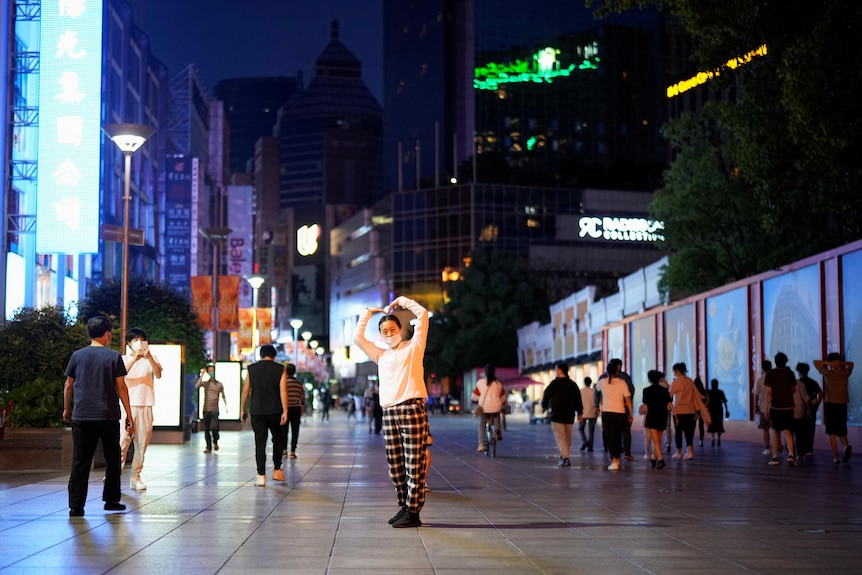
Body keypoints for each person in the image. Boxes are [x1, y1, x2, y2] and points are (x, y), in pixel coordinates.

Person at [353, 295, 430, 528]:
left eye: (392, 329)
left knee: (413, 464)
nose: (388, 334)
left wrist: (402, 301)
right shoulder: (381, 355)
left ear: (401, 329)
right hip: (389, 413)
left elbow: (423, 315)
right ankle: (404, 506)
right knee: (395, 465)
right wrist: (369, 313)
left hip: (411, 410)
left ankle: (414, 512)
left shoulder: (413, 348)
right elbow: (357, 338)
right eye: (384, 331)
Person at [63, 316, 135, 517]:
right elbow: (121, 387)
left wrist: (67, 410)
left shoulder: (77, 356)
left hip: (82, 416)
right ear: (106, 334)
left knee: (80, 461)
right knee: (112, 459)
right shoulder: (113, 357)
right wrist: (129, 415)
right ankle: (111, 500)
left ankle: (76, 506)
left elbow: (69, 385)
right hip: (108, 416)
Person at [119, 327, 162, 491]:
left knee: (141, 443)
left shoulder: (151, 359)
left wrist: (148, 356)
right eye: (135, 340)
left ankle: (136, 477)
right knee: (123, 441)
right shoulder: (123, 359)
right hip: (127, 406)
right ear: (129, 343)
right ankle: (115, 474)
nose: (138, 342)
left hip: (146, 404)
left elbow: (158, 374)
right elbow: (121, 375)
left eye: (141, 339)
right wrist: (134, 359)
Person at [240, 344, 288, 486]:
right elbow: (283, 391)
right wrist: (285, 411)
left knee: (260, 442)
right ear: (274, 356)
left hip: (257, 411)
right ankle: (277, 470)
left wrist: (242, 409)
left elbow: (245, 391)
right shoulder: (280, 369)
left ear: (260, 355)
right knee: (278, 440)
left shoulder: (251, 369)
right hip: (275, 410)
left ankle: (261, 476)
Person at [541, 362, 583, 467]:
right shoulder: (573, 385)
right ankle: (564, 456)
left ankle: (565, 457)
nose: (555, 371)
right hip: (569, 415)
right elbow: (578, 399)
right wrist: (580, 412)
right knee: (567, 437)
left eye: (556, 369)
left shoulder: (554, 384)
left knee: (560, 437)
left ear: (560, 370)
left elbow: (546, 396)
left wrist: (544, 406)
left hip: (557, 415)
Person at [814, 352, 854, 464]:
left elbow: (815, 363)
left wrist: (829, 364)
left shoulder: (828, 373)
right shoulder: (845, 373)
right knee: (842, 431)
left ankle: (836, 457)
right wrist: (840, 364)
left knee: (831, 433)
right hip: (842, 405)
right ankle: (846, 445)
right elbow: (851, 364)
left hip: (831, 405)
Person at [596, 360, 633, 471]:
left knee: (610, 438)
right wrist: (631, 413)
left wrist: (597, 406)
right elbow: (628, 399)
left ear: (607, 371)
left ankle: (614, 460)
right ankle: (616, 458)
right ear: (617, 372)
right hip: (620, 413)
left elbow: (596, 392)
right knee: (617, 437)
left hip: (607, 414)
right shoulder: (622, 383)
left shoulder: (602, 382)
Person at [764, 352, 797, 467]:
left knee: (775, 431)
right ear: (786, 361)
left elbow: (769, 393)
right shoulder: (790, 373)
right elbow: (794, 389)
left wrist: (766, 409)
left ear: (775, 361)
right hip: (788, 406)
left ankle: (775, 457)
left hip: (775, 407)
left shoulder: (770, 374)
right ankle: (791, 455)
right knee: (788, 431)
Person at [669, 362, 704, 460]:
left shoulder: (675, 383)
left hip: (679, 411)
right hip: (690, 411)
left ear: (677, 371)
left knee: (678, 432)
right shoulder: (690, 381)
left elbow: (669, 396)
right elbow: (697, 395)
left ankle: (679, 452)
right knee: (689, 432)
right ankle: (690, 452)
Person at [471, 364, 507, 453]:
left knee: (481, 425)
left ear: (485, 372)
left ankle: (481, 444)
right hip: (496, 407)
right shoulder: (498, 384)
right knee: (496, 414)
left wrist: (474, 401)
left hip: (484, 408)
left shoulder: (480, 383)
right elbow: (503, 398)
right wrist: (503, 403)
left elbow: (474, 397)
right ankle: (497, 430)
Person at [643, 370, 673, 469]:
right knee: (657, 439)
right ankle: (654, 458)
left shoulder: (646, 390)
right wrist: (676, 414)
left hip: (652, 415)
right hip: (662, 415)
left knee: (655, 439)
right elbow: (669, 403)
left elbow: (645, 405)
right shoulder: (664, 390)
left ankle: (660, 459)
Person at [196, 363, 226, 454]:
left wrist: (226, 406)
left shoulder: (219, 384)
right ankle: (208, 447)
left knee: (214, 427)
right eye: (210, 371)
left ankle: (215, 441)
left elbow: (223, 396)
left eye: (213, 370)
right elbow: (197, 386)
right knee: (206, 429)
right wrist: (202, 375)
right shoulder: (206, 384)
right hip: (206, 409)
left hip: (215, 410)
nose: (211, 372)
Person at [794, 362, 822, 458]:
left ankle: (801, 450)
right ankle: (809, 449)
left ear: (798, 371)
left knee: (800, 431)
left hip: (802, 409)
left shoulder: (798, 383)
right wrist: (818, 403)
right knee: (811, 429)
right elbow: (821, 393)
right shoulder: (813, 382)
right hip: (812, 408)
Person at [283, 363, 305, 459]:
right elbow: (302, 399)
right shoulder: (299, 383)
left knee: (284, 430)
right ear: (294, 372)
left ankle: (284, 450)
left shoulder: (283, 382)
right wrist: (301, 410)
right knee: (295, 431)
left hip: (285, 409)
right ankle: (292, 451)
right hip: (296, 409)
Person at [753, 360, 773, 455]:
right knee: (777, 428)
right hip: (775, 406)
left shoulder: (759, 380)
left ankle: (767, 448)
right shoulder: (775, 379)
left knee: (765, 429)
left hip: (763, 407)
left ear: (762, 368)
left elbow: (756, 395)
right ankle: (779, 445)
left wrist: (755, 406)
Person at [706, 379, 729, 446]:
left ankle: (713, 439)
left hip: (711, 411)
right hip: (719, 410)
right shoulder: (720, 392)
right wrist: (727, 410)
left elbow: (706, 402)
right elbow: (724, 402)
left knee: (712, 425)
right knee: (719, 425)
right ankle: (719, 438)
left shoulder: (708, 392)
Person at [578, 376, 597, 452]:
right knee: (591, 431)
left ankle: (585, 442)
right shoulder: (593, 392)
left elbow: (578, 402)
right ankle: (590, 447)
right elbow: (595, 402)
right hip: (592, 413)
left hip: (583, 413)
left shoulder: (581, 391)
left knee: (581, 429)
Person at [694, 377, 708, 446]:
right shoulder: (703, 391)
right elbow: (708, 400)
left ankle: (690, 440)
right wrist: (704, 405)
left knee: (692, 426)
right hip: (701, 410)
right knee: (701, 426)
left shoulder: (693, 391)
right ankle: (701, 440)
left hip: (694, 410)